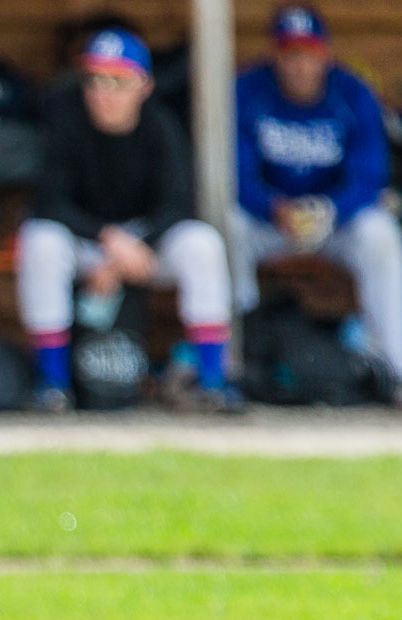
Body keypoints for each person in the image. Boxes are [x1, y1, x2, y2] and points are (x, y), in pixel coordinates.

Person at [18, 29, 239, 413]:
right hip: (89, 240)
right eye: (95, 80)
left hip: (145, 244)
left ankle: (212, 382)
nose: (104, 93)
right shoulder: (66, 121)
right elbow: (50, 203)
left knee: (202, 245)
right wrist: (109, 242)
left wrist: (136, 248)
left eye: (118, 82)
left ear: (144, 86)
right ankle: (51, 385)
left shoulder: (162, 127)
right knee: (40, 242)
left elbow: (178, 205)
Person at [233, 4, 402, 406]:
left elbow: (370, 175)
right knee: (228, 227)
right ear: (275, 54)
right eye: (290, 53)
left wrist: (331, 210)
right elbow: (232, 175)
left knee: (380, 234)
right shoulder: (248, 90)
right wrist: (273, 207)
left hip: (333, 220)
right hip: (271, 220)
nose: (299, 64)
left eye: (307, 53)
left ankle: (395, 368)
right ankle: (237, 360)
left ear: (324, 53)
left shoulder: (352, 92)